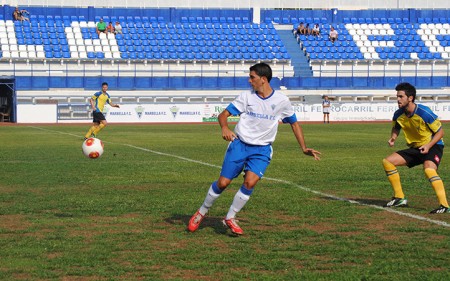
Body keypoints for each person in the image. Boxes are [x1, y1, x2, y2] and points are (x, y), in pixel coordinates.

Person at [187, 63, 321, 235]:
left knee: (250, 182)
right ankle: (202, 212)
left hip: (262, 150)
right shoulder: (246, 97)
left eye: (252, 77)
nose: (249, 81)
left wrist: (303, 148)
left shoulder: (281, 101)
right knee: (223, 183)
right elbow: (223, 115)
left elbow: (294, 124)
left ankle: (230, 217)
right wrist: (225, 128)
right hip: (240, 145)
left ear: (263, 79)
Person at [382, 82, 449, 214]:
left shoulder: (424, 112)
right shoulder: (398, 114)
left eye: (401, 96)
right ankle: (399, 198)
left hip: (433, 145)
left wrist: (428, 146)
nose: (398, 99)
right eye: (397, 96)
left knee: (429, 170)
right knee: (388, 162)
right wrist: (393, 138)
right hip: (416, 148)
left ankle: (444, 205)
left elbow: (440, 132)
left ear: (410, 98)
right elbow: (396, 127)